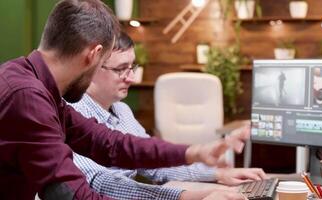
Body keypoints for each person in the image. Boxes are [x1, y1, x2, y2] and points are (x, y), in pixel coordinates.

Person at [0, 0, 249, 199]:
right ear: (94, 55)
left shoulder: (37, 87)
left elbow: (110, 144)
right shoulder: (27, 98)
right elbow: (72, 194)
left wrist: (195, 152)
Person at [69, 31, 267, 199]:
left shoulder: (122, 110)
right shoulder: (72, 115)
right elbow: (99, 183)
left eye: (132, 68)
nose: (131, 78)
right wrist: (188, 195)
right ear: (91, 67)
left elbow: (154, 165)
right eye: (121, 69)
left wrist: (218, 174)